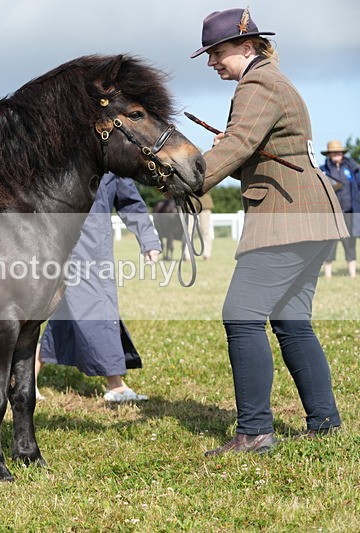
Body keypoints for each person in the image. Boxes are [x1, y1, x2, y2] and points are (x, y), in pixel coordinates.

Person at [191, 8, 348, 455]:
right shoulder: (274, 81)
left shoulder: (257, 84)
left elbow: (240, 145)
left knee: (241, 316)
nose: (212, 63)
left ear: (247, 46)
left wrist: (190, 178)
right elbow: (262, 153)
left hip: (287, 219)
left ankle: (255, 432)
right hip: (310, 214)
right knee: (292, 323)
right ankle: (324, 422)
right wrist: (235, 156)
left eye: (217, 53)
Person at [35, 172, 161, 402]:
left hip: (91, 249)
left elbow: (130, 202)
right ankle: (116, 386)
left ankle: (24, 378)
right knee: (96, 308)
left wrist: (148, 239)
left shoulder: (115, 162)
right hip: (60, 247)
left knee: (71, 313)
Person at [320, 140, 360, 278]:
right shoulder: (323, 170)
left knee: (350, 242)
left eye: (339, 152)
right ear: (329, 154)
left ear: (343, 153)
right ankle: (328, 275)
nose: (337, 154)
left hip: (350, 212)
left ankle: (352, 273)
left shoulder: (353, 168)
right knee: (330, 243)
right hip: (332, 214)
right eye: (334, 152)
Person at [183, 191, 215, 261]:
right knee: (188, 231)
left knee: (205, 230)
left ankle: (207, 254)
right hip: (190, 202)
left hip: (204, 202)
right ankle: (187, 254)